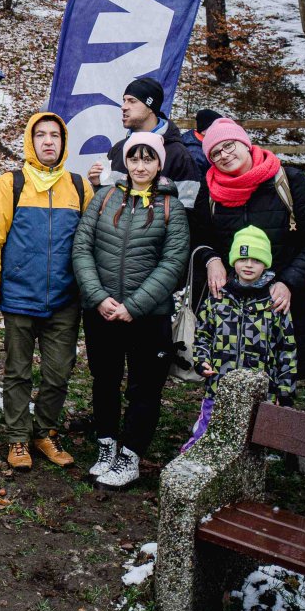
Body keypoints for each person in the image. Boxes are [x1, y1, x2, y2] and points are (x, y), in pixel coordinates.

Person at [70, 133, 190, 490]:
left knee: (144, 387)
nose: (140, 166)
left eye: (148, 159)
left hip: (148, 316)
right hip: (102, 310)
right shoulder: (104, 198)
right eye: (133, 159)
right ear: (125, 161)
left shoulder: (173, 208)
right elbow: (82, 248)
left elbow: (173, 263)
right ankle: (106, 444)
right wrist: (98, 296)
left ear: (159, 164)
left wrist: (134, 306)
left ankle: (130, 455)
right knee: (104, 378)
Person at [0, 112, 93, 471]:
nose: (47, 141)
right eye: (40, 135)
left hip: (64, 298)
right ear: (30, 140)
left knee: (59, 373)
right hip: (19, 296)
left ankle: (44, 432)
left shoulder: (78, 186)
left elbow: (89, 243)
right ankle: (16, 438)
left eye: (54, 136)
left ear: (63, 142)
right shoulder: (9, 184)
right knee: (18, 372)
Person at [190, 118, 305, 381]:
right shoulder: (209, 191)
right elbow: (197, 237)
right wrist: (211, 259)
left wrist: (289, 281)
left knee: (276, 386)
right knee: (227, 383)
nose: (224, 155)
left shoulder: (288, 182)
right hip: (230, 311)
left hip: (279, 305)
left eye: (229, 145)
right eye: (215, 153)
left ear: (245, 143)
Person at [182, 226, 296, 451]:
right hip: (219, 385)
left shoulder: (274, 303)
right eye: (243, 258)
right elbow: (203, 334)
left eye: (256, 259)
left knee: (248, 442)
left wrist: (285, 393)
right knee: (207, 434)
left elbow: (287, 350)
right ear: (234, 261)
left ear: (266, 263)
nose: (249, 265)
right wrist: (201, 359)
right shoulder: (218, 298)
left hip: (259, 391)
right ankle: (192, 466)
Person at [86, 77, 203, 207]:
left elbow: (188, 214)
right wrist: (98, 185)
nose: (124, 107)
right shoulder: (118, 149)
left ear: (150, 106)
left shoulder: (180, 156)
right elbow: (107, 204)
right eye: (124, 101)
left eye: (132, 101)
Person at [181, 108, 222, 176]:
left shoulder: (199, 142)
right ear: (203, 131)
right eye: (216, 127)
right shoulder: (195, 154)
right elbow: (195, 183)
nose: (219, 130)